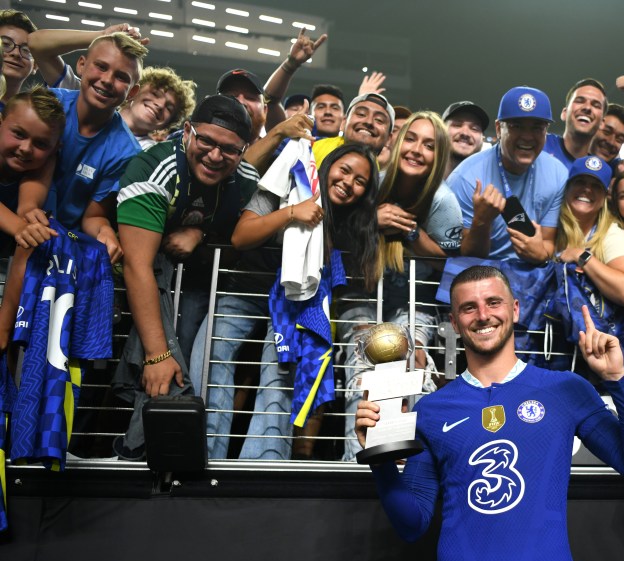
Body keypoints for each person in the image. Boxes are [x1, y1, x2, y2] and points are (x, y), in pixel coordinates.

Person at [355, 265, 624, 561]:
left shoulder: (566, 390)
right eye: (469, 308)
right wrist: (381, 460)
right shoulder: (431, 411)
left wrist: (617, 379)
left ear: (515, 309)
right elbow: (411, 525)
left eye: (493, 302)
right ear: (455, 323)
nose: (483, 315)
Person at [197, 143, 379, 460]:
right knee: (210, 358)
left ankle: (262, 463)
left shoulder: (351, 221)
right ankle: (204, 455)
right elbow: (241, 237)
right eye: (344, 170)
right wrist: (293, 212)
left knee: (277, 377)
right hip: (246, 291)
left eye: (360, 181)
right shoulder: (290, 182)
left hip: (292, 302)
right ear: (327, 167)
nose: (349, 182)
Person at [111, 94, 259, 459]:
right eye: (206, 141)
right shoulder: (154, 166)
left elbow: (237, 237)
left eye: (229, 149)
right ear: (187, 131)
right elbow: (137, 265)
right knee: (152, 361)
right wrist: (158, 354)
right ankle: (128, 446)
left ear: (243, 150)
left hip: (191, 281)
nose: (214, 155)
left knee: (188, 348)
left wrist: (200, 234)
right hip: (128, 279)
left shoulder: (245, 178)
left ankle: (141, 446)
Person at [338, 111, 460, 461]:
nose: (417, 150)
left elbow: (450, 263)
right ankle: (356, 465)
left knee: (414, 365)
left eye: (429, 145)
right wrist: (370, 221)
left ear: (439, 157)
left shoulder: (443, 200)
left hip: (415, 305)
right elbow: (333, 235)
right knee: (364, 370)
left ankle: (414, 472)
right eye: (411, 138)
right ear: (396, 140)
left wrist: (410, 233)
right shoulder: (369, 184)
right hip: (359, 299)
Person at [19, 31, 146, 266]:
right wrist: (27, 208)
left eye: (121, 77)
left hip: (64, 250)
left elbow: (93, 215)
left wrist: (104, 231)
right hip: (15, 224)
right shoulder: (49, 104)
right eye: (101, 66)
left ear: (133, 93)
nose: (107, 80)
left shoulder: (127, 151)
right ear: (82, 65)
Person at [447, 85, 567, 263]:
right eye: (516, 126)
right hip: (480, 275)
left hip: (533, 275)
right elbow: (465, 259)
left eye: (537, 127)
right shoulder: (465, 177)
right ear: (498, 129)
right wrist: (481, 221)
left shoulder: (558, 173)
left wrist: (541, 255)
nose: (527, 137)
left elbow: (548, 242)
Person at [27, 25, 194, 150]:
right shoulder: (84, 93)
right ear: (135, 93)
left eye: (169, 107)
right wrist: (102, 36)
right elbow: (35, 44)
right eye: (155, 94)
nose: (159, 105)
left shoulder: (148, 154)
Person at [0, 87, 65, 349]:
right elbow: (20, 226)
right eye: (18, 134)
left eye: (40, 144)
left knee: (36, 230)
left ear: (54, 149)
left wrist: (4, 325)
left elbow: (28, 208)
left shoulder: (43, 163)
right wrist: (20, 227)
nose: (26, 148)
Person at [555, 156, 624, 307]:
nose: (587, 189)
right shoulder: (551, 225)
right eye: (580, 182)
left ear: (604, 198)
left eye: (596, 186)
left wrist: (580, 255)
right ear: (567, 188)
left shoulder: (610, 232)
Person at [311, 92, 394, 166]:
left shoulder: (381, 176)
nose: (369, 122)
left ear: (388, 139)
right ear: (343, 123)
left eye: (379, 120)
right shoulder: (311, 150)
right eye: (361, 114)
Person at [441, 100, 488, 178]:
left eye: (474, 128)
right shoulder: (420, 177)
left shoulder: (490, 184)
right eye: (457, 125)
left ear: (482, 139)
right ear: (441, 131)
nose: (465, 133)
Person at [0, 10, 37, 106]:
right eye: (5, 44)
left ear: (35, 66)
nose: (16, 53)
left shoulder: (35, 115)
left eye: (26, 50)